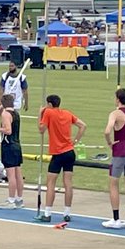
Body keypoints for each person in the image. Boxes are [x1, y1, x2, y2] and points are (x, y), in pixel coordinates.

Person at [35, 94, 86, 223]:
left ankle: (47, 213)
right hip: (69, 151)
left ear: (50, 104)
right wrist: (75, 141)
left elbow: (41, 130)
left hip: (57, 153)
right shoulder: (67, 113)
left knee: (51, 183)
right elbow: (82, 125)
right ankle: (67, 213)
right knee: (68, 183)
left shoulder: (48, 113)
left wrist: (40, 114)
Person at [103, 87, 125, 229]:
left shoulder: (115, 113)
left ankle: (116, 218)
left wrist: (110, 142)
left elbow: (107, 131)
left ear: (117, 99)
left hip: (119, 151)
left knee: (113, 185)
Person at [0, 93, 24, 209]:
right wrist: (0, 111)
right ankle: (19, 199)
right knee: (18, 174)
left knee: (11, 175)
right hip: (17, 145)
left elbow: (7, 130)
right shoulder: (15, 113)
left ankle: (11, 200)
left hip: (9, 146)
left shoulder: (6, 114)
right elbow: (6, 121)